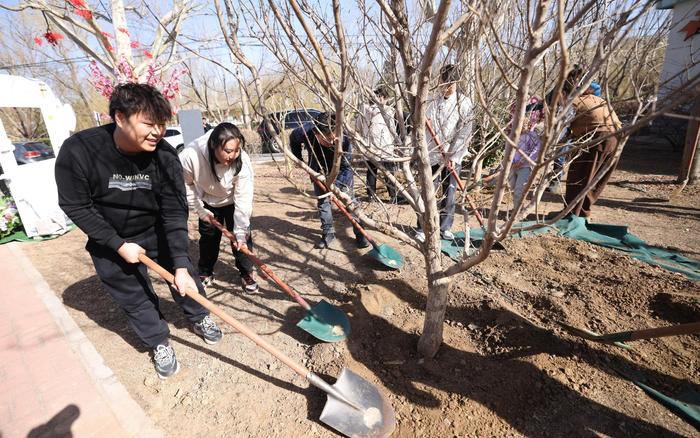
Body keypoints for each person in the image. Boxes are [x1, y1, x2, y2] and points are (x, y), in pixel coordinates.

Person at [55, 83, 222, 380]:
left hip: (154, 227)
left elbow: (174, 211)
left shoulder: (165, 157)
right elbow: (76, 205)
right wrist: (116, 244)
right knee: (133, 295)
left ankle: (199, 315)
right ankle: (158, 341)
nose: (157, 131)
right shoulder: (80, 151)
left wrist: (181, 264)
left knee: (184, 278)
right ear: (120, 117)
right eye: (149, 123)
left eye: (162, 124)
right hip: (108, 236)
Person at [179, 123, 258, 292]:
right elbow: (185, 184)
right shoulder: (190, 156)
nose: (234, 155)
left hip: (233, 202)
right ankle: (206, 271)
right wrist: (199, 210)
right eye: (229, 151)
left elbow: (243, 197)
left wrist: (241, 229)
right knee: (208, 238)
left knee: (241, 240)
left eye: (237, 150)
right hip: (208, 201)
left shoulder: (241, 160)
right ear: (214, 145)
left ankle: (246, 272)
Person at [290, 112, 369, 249]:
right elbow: (293, 138)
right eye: (327, 140)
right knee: (323, 203)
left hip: (341, 174)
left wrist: (335, 187)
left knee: (350, 202)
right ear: (317, 134)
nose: (332, 143)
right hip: (317, 171)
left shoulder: (343, 140)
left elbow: (345, 167)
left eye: (334, 139)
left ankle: (360, 233)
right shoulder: (306, 131)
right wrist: (299, 159)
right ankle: (328, 233)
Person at [417, 64, 473, 242]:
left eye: (451, 85)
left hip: (452, 154)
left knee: (449, 192)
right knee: (428, 191)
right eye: (444, 83)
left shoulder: (464, 103)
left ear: (457, 84)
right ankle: (423, 227)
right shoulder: (431, 101)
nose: (447, 88)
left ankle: (445, 226)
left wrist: (452, 155)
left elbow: (465, 132)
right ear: (439, 81)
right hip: (432, 153)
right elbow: (423, 128)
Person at [563, 70, 622, 218]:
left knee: (580, 177)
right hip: (616, 139)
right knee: (594, 179)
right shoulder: (598, 100)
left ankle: (575, 215)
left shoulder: (576, 101)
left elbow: (561, 127)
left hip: (598, 139)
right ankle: (575, 213)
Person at [354, 85, 400, 202]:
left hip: (370, 148)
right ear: (382, 97)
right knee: (389, 172)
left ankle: (371, 196)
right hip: (385, 147)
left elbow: (357, 127)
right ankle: (393, 196)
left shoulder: (364, 110)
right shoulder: (388, 111)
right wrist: (396, 143)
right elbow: (392, 130)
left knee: (371, 172)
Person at [509, 97, 544, 207]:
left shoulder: (532, 136)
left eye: (524, 125)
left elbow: (534, 151)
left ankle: (516, 211)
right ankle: (517, 207)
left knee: (519, 190)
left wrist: (522, 161)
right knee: (512, 188)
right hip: (512, 166)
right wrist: (511, 163)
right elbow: (508, 151)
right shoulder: (512, 136)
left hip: (524, 167)